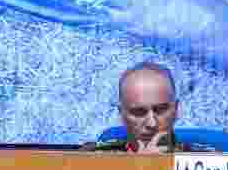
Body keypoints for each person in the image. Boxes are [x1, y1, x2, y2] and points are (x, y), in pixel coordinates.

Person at [81, 62, 217, 153]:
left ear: (176, 110)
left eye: (161, 110)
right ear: (121, 115)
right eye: (139, 112)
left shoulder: (210, 164)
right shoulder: (90, 161)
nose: (151, 123)